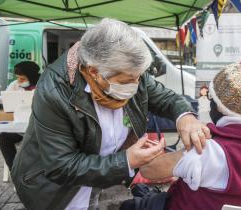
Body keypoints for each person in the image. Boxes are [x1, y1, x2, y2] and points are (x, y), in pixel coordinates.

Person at [11, 18, 211, 210]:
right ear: (94, 72)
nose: (134, 86)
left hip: (105, 182)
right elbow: (61, 166)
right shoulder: (55, 90)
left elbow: (165, 98)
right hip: (57, 193)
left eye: (138, 78)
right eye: (125, 82)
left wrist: (186, 117)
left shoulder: (131, 71)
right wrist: (126, 161)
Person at [133, 54, 241, 210]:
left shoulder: (208, 152)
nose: (208, 101)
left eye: (212, 97)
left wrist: (153, 153)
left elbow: (148, 170)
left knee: (129, 205)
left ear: (222, 106)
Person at [0, 61, 40, 171]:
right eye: (17, 78)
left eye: (22, 78)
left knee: (37, 144)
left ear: (31, 76)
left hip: (39, 129)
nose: (18, 81)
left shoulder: (43, 84)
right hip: (19, 127)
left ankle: (36, 173)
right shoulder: (15, 85)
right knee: (3, 137)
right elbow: (3, 99)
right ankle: (15, 171)